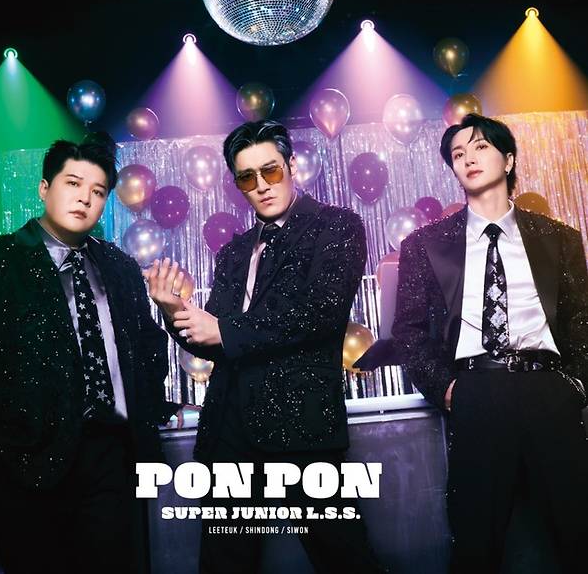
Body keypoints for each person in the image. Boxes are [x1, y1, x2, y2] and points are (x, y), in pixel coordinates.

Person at [0, 133, 180, 574]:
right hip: (26, 466)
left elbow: (143, 347)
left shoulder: (120, 266)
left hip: (112, 459)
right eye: (73, 183)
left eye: (97, 191)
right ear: (45, 188)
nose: (84, 198)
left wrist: (153, 411)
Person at [146, 120, 386, 574]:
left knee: (345, 559)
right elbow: (212, 341)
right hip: (228, 432)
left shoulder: (336, 226)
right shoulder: (233, 253)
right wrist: (173, 309)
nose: (261, 185)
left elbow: (320, 314)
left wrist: (226, 332)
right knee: (224, 567)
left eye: (270, 171)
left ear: (292, 165)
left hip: (302, 428)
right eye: (246, 177)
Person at [391, 113, 588, 573]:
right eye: (458, 154)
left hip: (548, 390)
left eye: (480, 147)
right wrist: (447, 389)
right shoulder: (425, 245)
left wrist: (576, 386)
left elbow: (582, 320)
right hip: (475, 391)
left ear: (509, 159)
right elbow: (409, 331)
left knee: (578, 533)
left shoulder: (560, 239)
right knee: (476, 544)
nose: (468, 159)